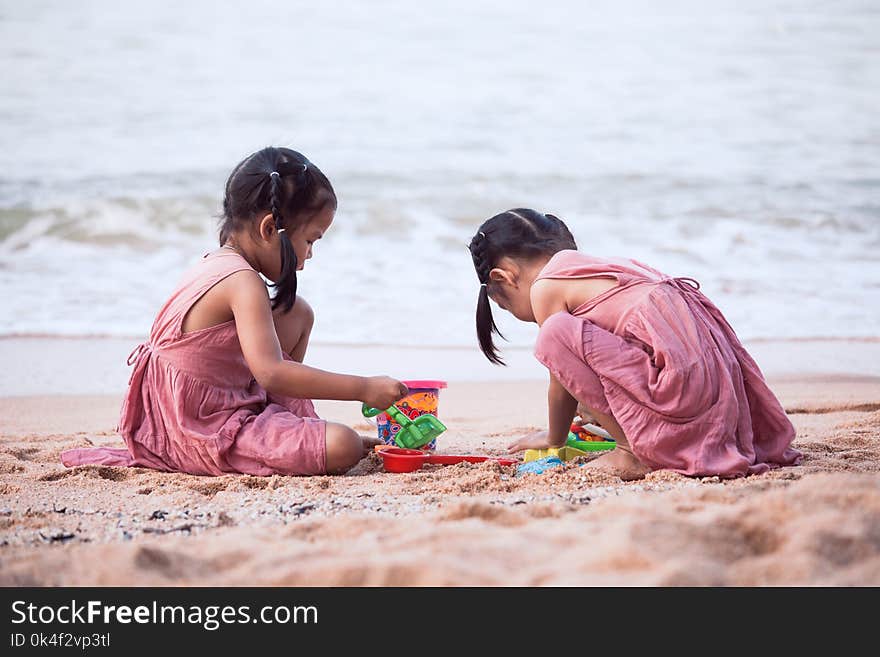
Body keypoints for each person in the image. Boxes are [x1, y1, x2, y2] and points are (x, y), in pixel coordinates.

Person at [62, 147, 407, 476]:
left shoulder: (221, 263)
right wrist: (363, 387)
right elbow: (271, 373)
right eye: (311, 240)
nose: (311, 254)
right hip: (195, 428)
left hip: (198, 406)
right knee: (344, 445)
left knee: (297, 313)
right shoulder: (242, 282)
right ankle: (288, 438)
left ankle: (287, 431)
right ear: (270, 229)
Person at [468, 208, 801, 480]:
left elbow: (559, 375)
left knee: (553, 335)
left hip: (684, 396)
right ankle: (640, 441)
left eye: (505, 306)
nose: (514, 313)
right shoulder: (608, 268)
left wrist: (553, 438)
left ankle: (630, 453)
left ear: (503, 277)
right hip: (717, 399)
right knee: (564, 340)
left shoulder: (545, 287)